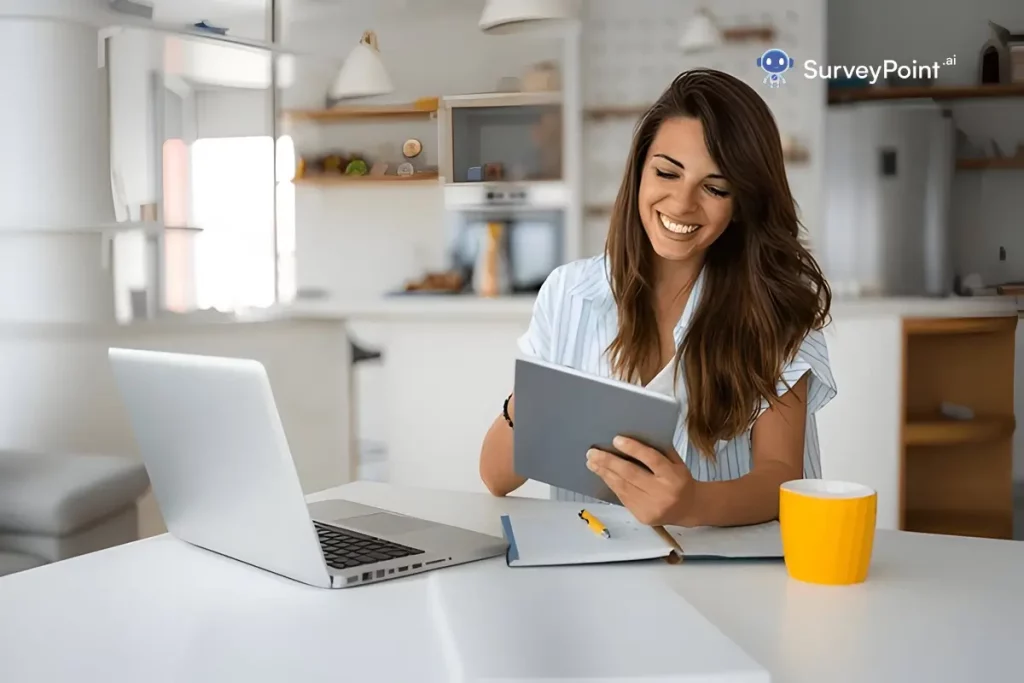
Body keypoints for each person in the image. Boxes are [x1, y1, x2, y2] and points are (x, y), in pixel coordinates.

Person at [478, 68, 837, 528]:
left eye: (715, 187)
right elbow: (495, 477)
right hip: (584, 577)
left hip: (719, 579)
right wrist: (529, 401)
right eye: (667, 172)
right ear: (640, 170)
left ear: (742, 202)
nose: (683, 203)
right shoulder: (568, 294)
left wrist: (692, 505)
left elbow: (782, 480)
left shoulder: (775, 310)